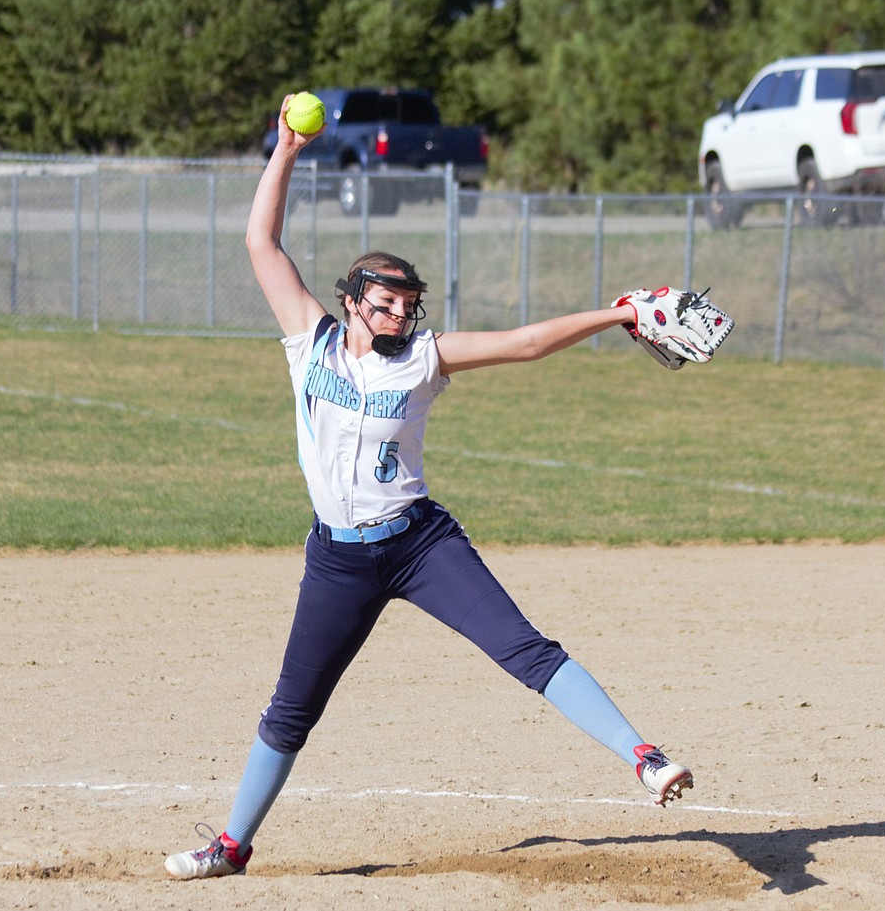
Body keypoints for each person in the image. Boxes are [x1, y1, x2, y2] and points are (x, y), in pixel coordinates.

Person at [163, 92, 694, 881]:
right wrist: (286, 148)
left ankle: (644, 755)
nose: (399, 316)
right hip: (339, 562)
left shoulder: (423, 358)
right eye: (384, 304)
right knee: (291, 709)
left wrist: (613, 314)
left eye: (408, 306)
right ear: (350, 302)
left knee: (524, 648)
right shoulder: (310, 343)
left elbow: (523, 343)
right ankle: (231, 846)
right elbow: (259, 241)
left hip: (418, 543)